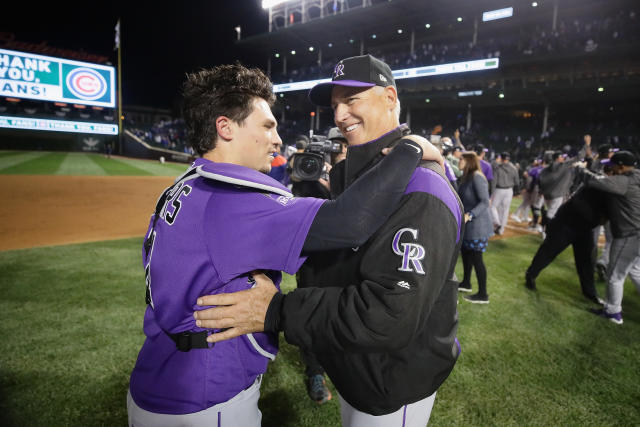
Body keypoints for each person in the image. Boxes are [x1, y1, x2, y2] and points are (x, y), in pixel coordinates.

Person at [127, 63, 441, 425]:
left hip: (156, 372)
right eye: (267, 125)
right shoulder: (235, 199)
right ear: (225, 128)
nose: (277, 138)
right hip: (204, 393)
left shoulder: (185, 184)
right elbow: (350, 222)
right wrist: (410, 148)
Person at [577, 151, 640, 324]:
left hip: (630, 234)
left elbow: (594, 181)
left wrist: (583, 169)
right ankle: (612, 310)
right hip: (637, 233)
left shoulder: (625, 181)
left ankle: (613, 313)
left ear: (621, 166)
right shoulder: (636, 177)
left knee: (615, 276)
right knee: (635, 271)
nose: (609, 167)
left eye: (612, 164)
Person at [457, 151, 492, 303]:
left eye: (461, 159)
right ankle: (466, 283)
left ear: (469, 161)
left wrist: (469, 215)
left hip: (477, 225)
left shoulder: (477, 177)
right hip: (469, 226)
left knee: (477, 259)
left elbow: (485, 201)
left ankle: (483, 294)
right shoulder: (466, 177)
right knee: (466, 254)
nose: (458, 161)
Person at [491, 152, 519, 235]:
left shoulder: (498, 167)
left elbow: (494, 181)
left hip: (499, 189)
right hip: (509, 190)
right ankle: (501, 229)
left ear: (501, 158)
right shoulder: (514, 168)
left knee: (493, 207)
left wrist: (491, 192)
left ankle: (497, 223)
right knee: (505, 210)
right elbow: (517, 181)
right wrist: (517, 190)